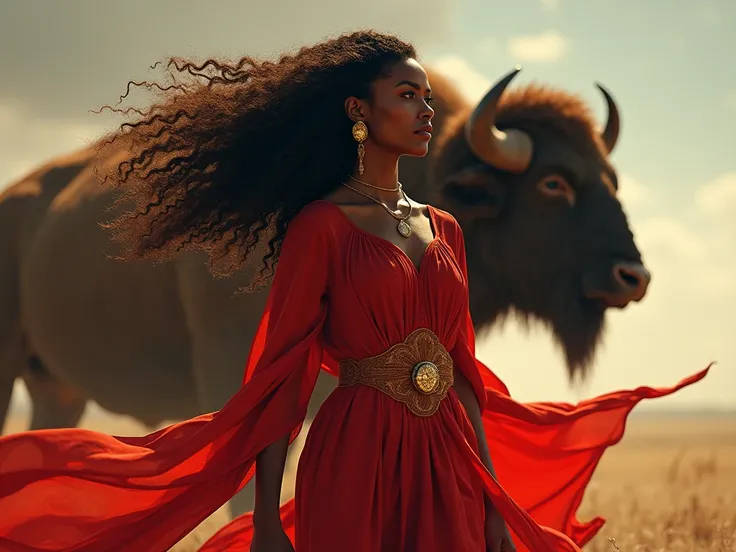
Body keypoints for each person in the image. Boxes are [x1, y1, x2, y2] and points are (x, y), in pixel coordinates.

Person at [0, 30, 709, 552]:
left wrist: (496, 504)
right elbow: (278, 378)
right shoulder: (315, 227)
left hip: (441, 461)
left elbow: (464, 378)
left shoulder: (448, 229)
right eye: (407, 97)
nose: (426, 110)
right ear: (359, 114)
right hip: (352, 459)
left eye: (428, 97)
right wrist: (270, 521)